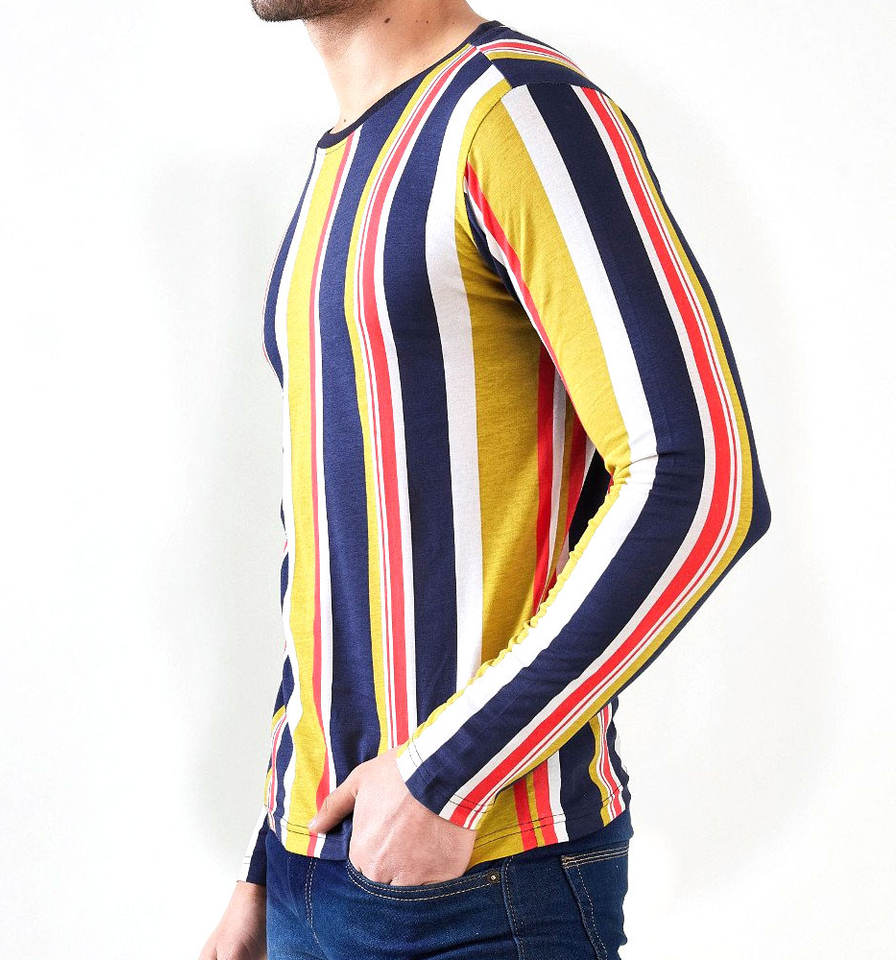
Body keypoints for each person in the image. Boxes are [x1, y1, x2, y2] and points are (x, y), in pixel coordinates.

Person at [199, 2, 773, 957]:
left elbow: (700, 479)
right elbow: (334, 551)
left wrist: (444, 776)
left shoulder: (517, 110)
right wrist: (270, 858)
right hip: (314, 874)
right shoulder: (341, 163)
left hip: (480, 883)